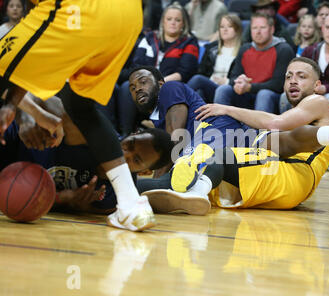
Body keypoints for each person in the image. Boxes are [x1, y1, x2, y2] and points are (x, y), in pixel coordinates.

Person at [0, 0, 155, 232]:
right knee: (79, 106)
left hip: (79, 12)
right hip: (127, 16)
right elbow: (28, 60)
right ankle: (132, 205)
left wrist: (23, 111)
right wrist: (18, 107)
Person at [139, 57, 329, 215]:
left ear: (317, 85)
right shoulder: (298, 111)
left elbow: (276, 123)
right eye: (288, 76)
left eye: (301, 76)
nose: (293, 80)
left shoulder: (317, 101)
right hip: (280, 177)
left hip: (293, 174)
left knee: (221, 155)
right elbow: (275, 121)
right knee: (202, 168)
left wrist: (227, 108)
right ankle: (139, 190)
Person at [0, 93, 174, 214]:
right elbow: (33, 95)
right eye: (131, 143)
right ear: (133, 133)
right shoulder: (92, 134)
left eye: (135, 159)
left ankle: (167, 189)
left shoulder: (111, 199)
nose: (124, 152)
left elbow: (43, 206)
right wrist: (25, 117)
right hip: (12, 142)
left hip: (11, 182)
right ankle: (165, 186)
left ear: (143, 172)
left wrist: (62, 200)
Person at [114, 2, 200, 136]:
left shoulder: (189, 42)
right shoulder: (150, 38)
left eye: (177, 20)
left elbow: (184, 72)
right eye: (169, 19)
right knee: (126, 86)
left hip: (170, 84)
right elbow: (137, 65)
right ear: (163, 22)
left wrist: (157, 82)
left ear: (183, 24)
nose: (173, 23)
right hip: (145, 81)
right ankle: (126, 134)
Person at [213, 12, 295, 114]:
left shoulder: (283, 49)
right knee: (223, 89)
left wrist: (250, 87)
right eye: (254, 28)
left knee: (263, 94)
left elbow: (278, 85)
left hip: (272, 98)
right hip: (246, 95)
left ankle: (262, 130)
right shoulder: (245, 48)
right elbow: (233, 76)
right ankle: (221, 126)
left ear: (272, 29)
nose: (258, 32)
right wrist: (239, 82)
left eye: (262, 28)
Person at [187, 13, 242, 103]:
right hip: (211, 86)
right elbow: (202, 72)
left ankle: (175, 100)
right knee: (198, 92)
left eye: (229, 26)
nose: (225, 30)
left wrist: (227, 81)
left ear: (237, 30)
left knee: (198, 80)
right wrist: (212, 79)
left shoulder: (243, 50)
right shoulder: (211, 48)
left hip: (231, 89)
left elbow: (244, 76)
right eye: (222, 27)